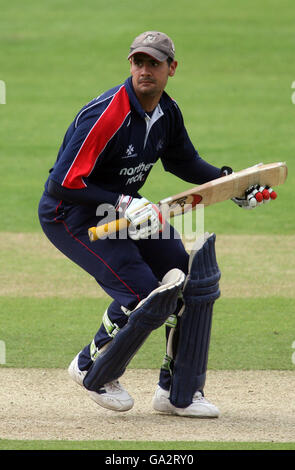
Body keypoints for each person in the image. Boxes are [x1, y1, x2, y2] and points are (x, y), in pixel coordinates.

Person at [38, 31, 264, 418]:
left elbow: (184, 162)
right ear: (130, 65)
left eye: (154, 63)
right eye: (138, 62)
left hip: (129, 211)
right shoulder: (107, 113)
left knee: (184, 279)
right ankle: (90, 365)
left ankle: (177, 392)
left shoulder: (166, 112)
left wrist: (233, 183)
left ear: (170, 69)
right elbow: (63, 182)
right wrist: (123, 201)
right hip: (71, 214)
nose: (145, 70)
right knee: (142, 291)